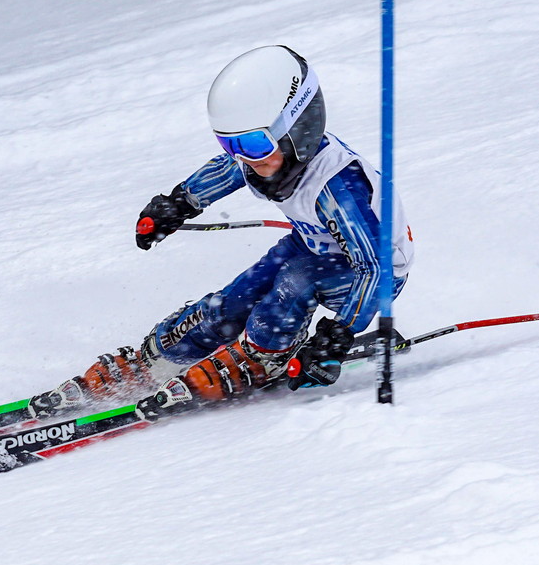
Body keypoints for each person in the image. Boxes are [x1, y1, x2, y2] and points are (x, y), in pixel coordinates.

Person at [32, 45, 413, 418]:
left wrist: (338, 336)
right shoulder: (266, 157)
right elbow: (228, 169)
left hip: (370, 274)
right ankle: (158, 360)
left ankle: (266, 354)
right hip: (313, 245)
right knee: (236, 298)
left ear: (299, 128)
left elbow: (373, 268)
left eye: (251, 142)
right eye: (230, 143)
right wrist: (178, 204)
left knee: (296, 280)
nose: (244, 156)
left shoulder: (338, 187)